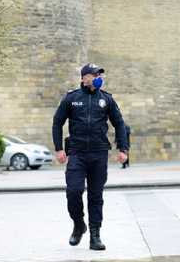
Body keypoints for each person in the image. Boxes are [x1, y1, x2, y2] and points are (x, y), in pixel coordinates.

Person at [52, 63, 128, 250]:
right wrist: (59, 149)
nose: (97, 77)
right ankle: (79, 224)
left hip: (99, 153)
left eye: (99, 74)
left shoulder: (106, 99)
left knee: (96, 196)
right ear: (83, 78)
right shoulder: (72, 98)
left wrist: (123, 149)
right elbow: (57, 123)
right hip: (77, 153)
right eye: (93, 74)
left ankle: (95, 235)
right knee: (73, 191)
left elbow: (119, 124)